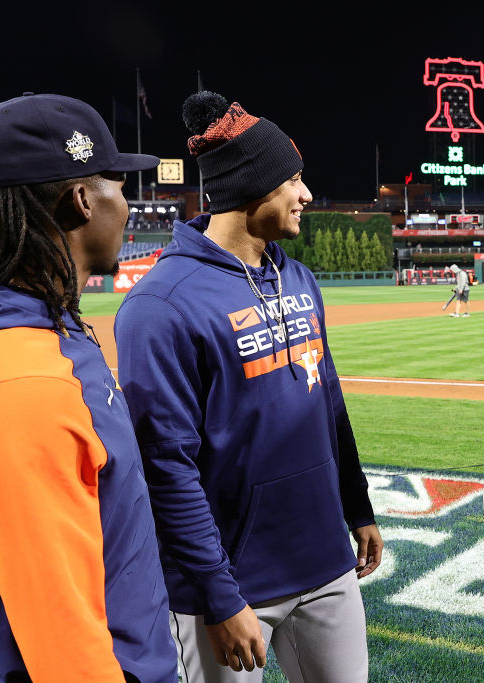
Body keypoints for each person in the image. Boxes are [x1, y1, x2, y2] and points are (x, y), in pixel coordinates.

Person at [0, 93, 176, 681]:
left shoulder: (47, 331)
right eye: (117, 183)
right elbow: (64, 647)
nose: (127, 202)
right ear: (80, 199)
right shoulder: (20, 383)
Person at [115, 91, 381, 683]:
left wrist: (355, 505)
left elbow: (328, 402)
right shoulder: (160, 304)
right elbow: (165, 466)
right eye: (293, 180)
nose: (306, 195)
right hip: (231, 586)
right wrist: (217, 594)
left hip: (324, 563)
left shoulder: (298, 276)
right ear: (253, 186)